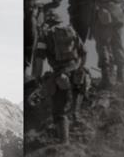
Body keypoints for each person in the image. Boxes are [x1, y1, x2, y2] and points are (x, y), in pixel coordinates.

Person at [32, 10, 86, 144]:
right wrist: (79, 68)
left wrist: (37, 77)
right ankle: (76, 116)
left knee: (58, 110)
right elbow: (84, 53)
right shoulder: (71, 31)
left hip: (60, 75)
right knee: (74, 98)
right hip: (77, 73)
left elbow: (39, 59)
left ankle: (64, 142)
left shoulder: (45, 35)